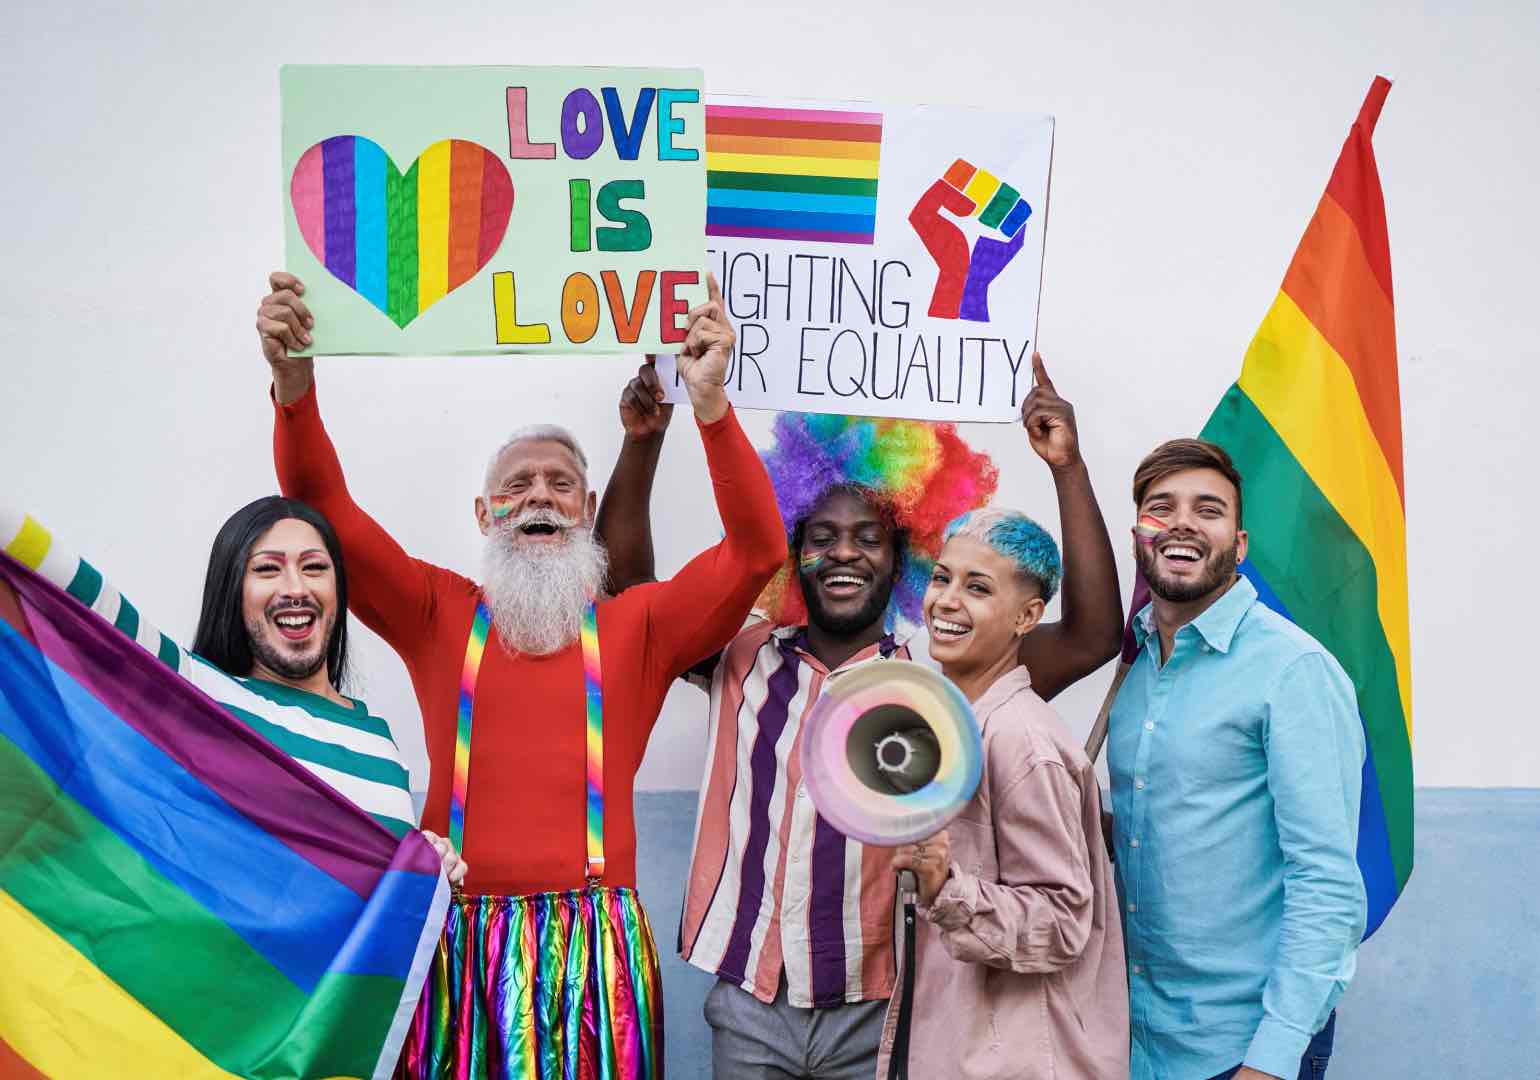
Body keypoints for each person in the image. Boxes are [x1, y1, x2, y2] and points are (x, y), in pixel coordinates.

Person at [254, 270, 785, 1078]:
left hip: (595, 963)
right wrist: (295, 388)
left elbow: (758, 553)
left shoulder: (636, 627)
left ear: (587, 505)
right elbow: (322, 504)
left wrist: (711, 409)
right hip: (450, 943)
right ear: (484, 513)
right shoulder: (437, 610)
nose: (539, 497)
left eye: (560, 484)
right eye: (517, 486)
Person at [596, 355, 1125, 1079]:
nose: (843, 550)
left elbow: (1095, 637)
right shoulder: (739, 657)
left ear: (904, 556)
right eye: (820, 536)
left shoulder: (937, 689)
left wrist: (1067, 467)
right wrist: (644, 442)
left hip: (876, 1014)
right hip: (749, 1004)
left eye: (869, 537)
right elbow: (630, 603)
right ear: (794, 554)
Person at [1108, 439, 1365, 1080]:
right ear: (1141, 536)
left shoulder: (1293, 671)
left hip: (1242, 1051)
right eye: (1160, 508)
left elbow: (1327, 884)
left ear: (1240, 544)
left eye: (1208, 509)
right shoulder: (1133, 667)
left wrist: (1273, 1060)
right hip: (1134, 1040)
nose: (1182, 523)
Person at [882, 508, 1128, 1079]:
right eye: (942, 578)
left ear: (1027, 617)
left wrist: (948, 888)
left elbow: (1064, 921)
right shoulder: (950, 725)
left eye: (978, 588)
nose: (946, 600)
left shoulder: (1023, 742)